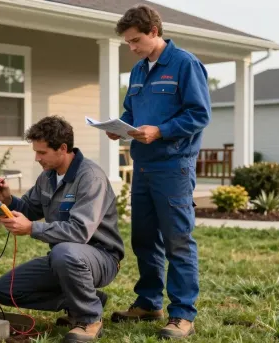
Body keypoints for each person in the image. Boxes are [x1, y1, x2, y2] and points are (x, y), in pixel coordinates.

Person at [107, 4, 211, 340]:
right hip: (143, 166)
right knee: (144, 238)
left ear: (154, 32)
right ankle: (149, 302)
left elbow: (199, 115)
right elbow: (130, 111)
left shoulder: (185, 64)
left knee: (178, 241)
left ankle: (182, 314)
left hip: (173, 166)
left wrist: (161, 131)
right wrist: (120, 128)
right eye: (128, 43)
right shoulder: (138, 71)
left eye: (136, 40)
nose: (132, 47)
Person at [0, 115, 125, 343]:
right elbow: (30, 209)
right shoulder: (48, 177)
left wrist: (32, 228)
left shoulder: (90, 178)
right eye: (36, 152)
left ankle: (88, 318)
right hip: (64, 258)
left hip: (102, 257)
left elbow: (79, 231)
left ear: (63, 148)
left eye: (42, 153)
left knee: (64, 252)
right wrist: (8, 200)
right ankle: (85, 300)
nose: (37, 158)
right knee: (4, 290)